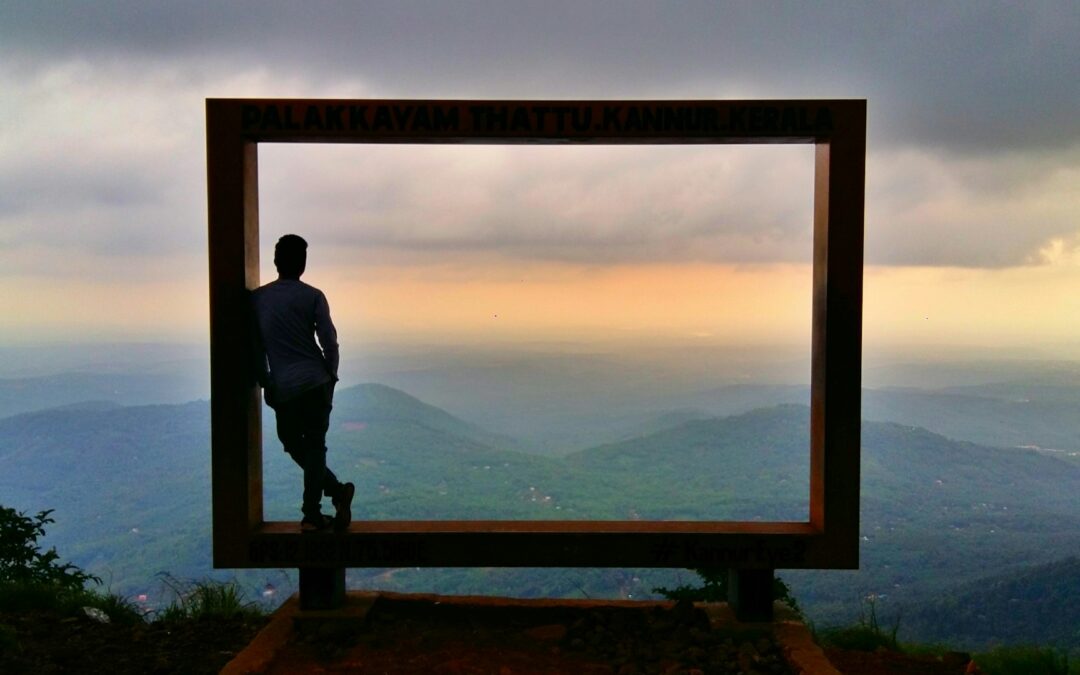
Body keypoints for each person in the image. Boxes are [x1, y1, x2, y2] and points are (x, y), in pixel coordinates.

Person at [252, 234, 354, 532]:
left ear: (275, 261)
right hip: (315, 383)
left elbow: (256, 348)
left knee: (295, 444)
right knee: (314, 446)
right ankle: (334, 493)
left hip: (284, 387)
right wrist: (331, 378)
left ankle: (315, 510)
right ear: (303, 264)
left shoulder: (257, 300)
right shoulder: (313, 296)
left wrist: (266, 383)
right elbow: (330, 344)